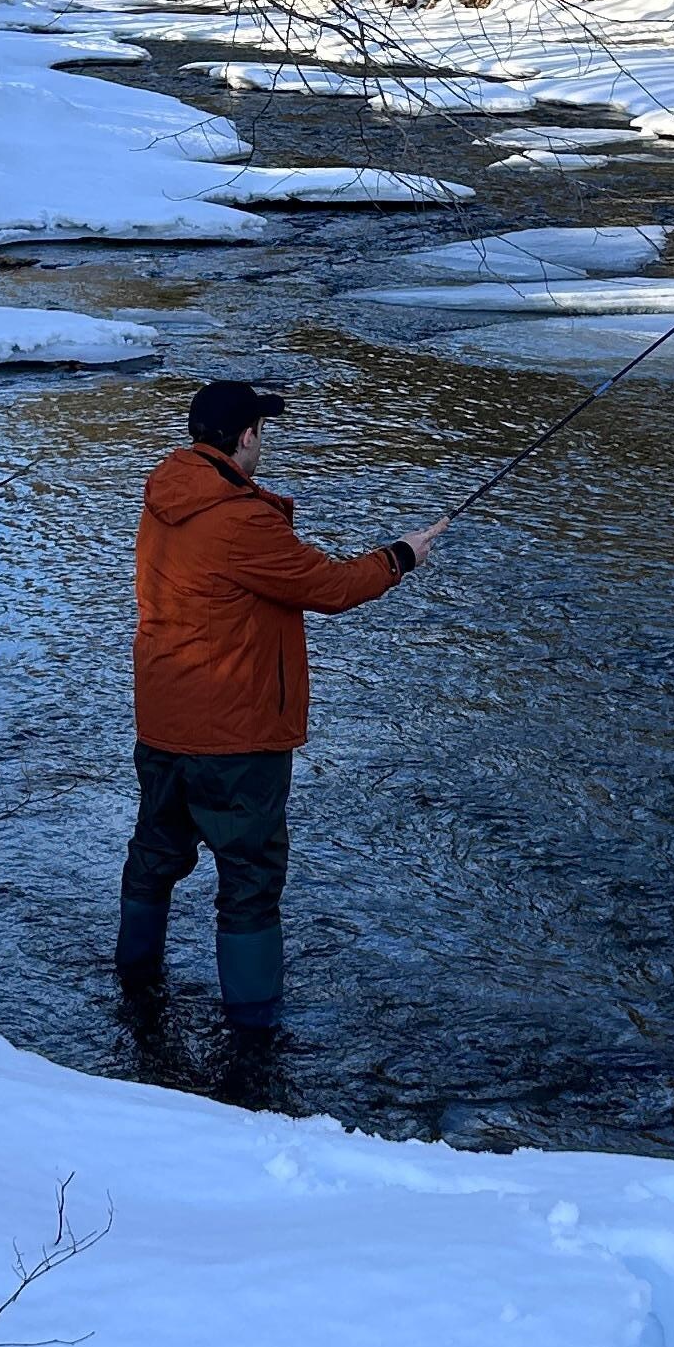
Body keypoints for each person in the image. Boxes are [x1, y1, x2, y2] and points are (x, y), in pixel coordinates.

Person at [119, 380, 445, 1030]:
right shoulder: (240, 519)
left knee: (154, 855)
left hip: (162, 723)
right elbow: (328, 586)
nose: (263, 443)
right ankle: (255, 1036)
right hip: (236, 739)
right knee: (249, 882)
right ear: (245, 437)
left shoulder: (164, 497)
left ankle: (132, 985)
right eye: (261, 432)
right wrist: (401, 556)